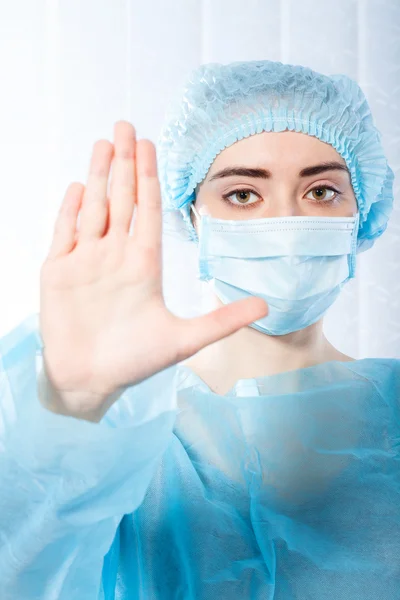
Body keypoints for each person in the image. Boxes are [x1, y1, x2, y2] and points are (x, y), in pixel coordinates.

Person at [0, 59, 399, 599]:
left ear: (362, 210)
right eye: (242, 194)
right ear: (191, 215)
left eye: (321, 191)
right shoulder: (115, 437)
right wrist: (74, 410)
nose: (283, 220)